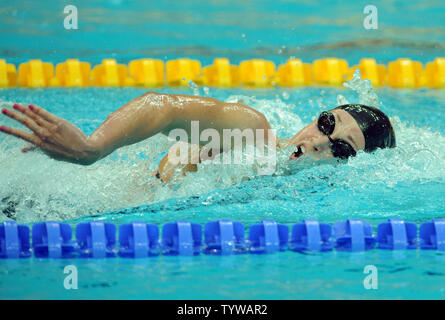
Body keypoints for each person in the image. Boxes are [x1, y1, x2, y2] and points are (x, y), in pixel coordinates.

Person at [0, 91, 395, 181]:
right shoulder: (251, 132)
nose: (318, 142)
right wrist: (93, 147)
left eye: (341, 148)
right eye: (326, 124)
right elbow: (164, 107)